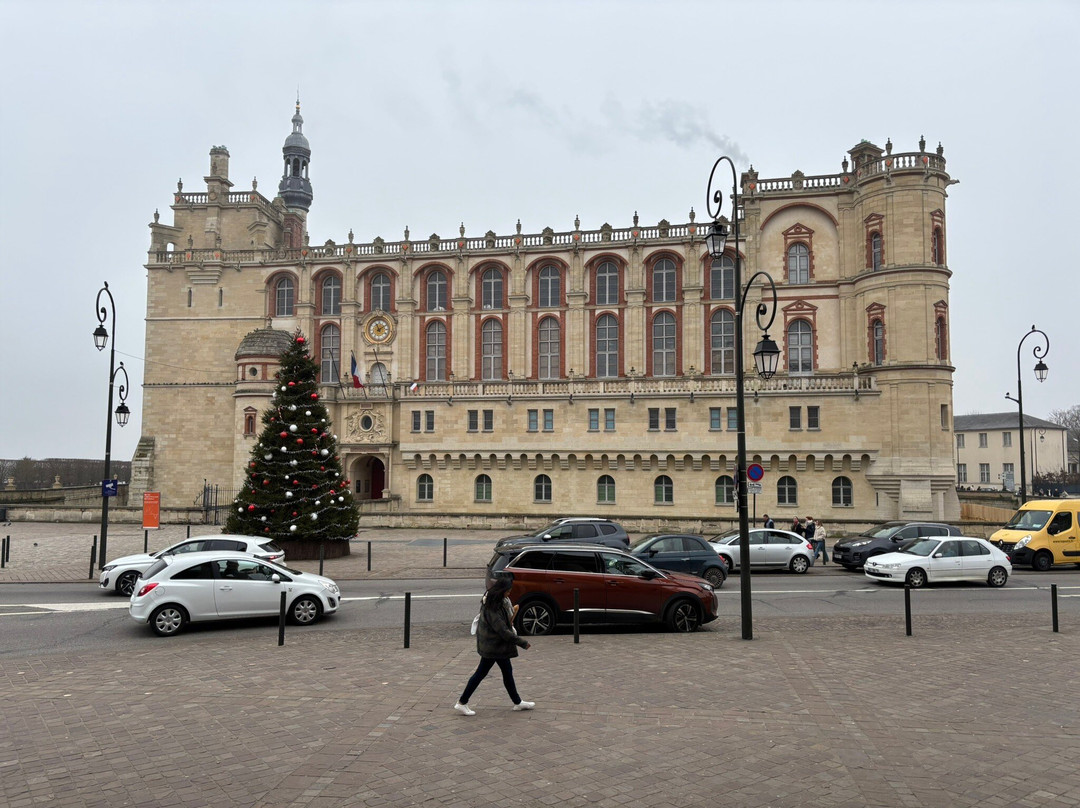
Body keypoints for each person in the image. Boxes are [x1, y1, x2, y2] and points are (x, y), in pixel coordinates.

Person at [454, 575, 534, 715]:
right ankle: (462, 702)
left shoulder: (497, 602)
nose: (509, 594)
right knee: (482, 673)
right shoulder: (492, 607)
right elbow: (502, 630)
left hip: (495, 645)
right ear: (501, 590)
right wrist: (522, 642)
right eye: (508, 591)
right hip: (493, 646)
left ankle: (517, 702)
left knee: (505, 672)